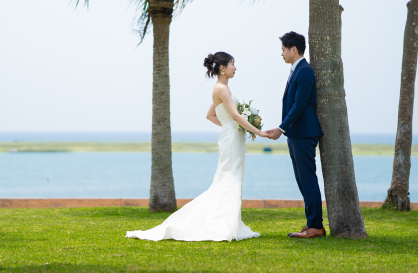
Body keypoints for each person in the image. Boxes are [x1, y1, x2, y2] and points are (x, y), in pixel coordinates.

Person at [126, 51, 266, 241]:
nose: (235, 67)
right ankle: (222, 224)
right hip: (231, 140)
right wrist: (258, 132)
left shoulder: (223, 89)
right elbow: (234, 115)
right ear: (223, 68)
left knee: (232, 177)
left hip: (232, 137)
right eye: (233, 64)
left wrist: (232, 126)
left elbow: (211, 115)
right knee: (229, 178)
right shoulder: (221, 89)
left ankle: (229, 222)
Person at [266, 31, 326, 238]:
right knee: (302, 180)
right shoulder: (296, 70)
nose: (281, 53)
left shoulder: (305, 71)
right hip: (296, 133)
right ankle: (311, 223)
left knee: (307, 179)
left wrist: (281, 128)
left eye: (283, 49)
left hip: (304, 133)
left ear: (293, 49)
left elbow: (300, 105)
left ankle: (316, 226)